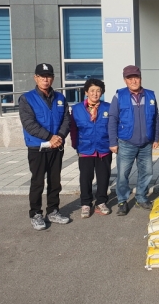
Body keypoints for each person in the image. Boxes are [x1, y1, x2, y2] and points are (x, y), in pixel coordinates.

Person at [19, 63, 70, 230]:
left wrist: (59, 136)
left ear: (53, 78)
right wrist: (50, 137)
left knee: (55, 181)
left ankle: (53, 211)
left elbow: (66, 120)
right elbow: (29, 124)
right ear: (36, 78)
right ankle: (36, 213)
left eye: (48, 76)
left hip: (56, 147)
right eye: (42, 76)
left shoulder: (60, 98)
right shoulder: (27, 99)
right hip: (38, 147)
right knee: (37, 182)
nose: (45, 79)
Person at [108, 65, 159, 216]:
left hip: (146, 143)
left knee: (147, 172)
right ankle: (122, 201)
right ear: (125, 80)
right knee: (123, 174)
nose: (133, 81)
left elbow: (156, 118)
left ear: (140, 78)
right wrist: (113, 142)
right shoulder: (119, 96)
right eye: (129, 78)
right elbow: (112, 119)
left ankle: (141, 198)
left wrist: (156, 137)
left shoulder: (150, 95)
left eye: (136, 77)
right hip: (126, 142)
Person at [70, 78, 112, 218]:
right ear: (86, 92)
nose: (95, 93)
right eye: (92, 90)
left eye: (98, 91)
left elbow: (113, 127)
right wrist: (75, 144)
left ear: (102, 93)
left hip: (103, 148)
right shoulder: (77, 109)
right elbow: (73, 129)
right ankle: (86, 203)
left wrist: (113, 143)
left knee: (103, 177)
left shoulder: (108, 107)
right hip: (85, 148)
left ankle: (101, 201)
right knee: (85, 177)